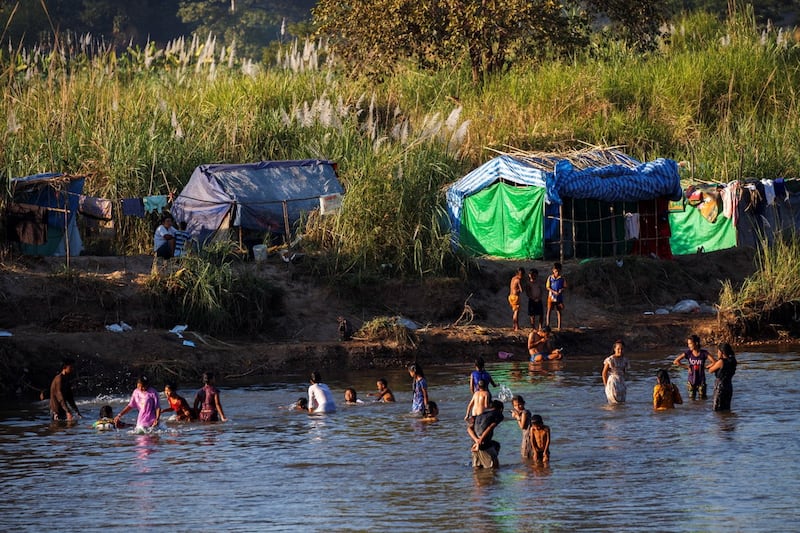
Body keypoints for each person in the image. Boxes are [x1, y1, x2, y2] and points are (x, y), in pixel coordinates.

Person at [672, 334, 716, 400]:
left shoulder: (704, 353)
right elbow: (676, 361)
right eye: (688, 344)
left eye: (690, 343)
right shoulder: (688, 353)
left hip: (701, 380)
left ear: (696, 343)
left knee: (702, 400)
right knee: (691, 400)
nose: (688, 345)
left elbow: (714, 362)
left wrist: (706, 367)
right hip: (691, 381)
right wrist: (687, 367)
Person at [467, 400, 505, 468]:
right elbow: (490, 427)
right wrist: (480, 440)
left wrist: (476, 440)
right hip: (484, 443)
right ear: (501, 409)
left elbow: (469, 429)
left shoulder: (480, 414)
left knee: (477, 469)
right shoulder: (498, 414)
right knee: (494, 468)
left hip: (474, 444)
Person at [707, 342, 738, 411]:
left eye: (718, 351)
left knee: (717, 408)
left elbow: (710, 370)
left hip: (720, 386)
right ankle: (727, 420)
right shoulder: (733, 361)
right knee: (726, 408)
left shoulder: (721, 362)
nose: (717, 353)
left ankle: (720, 421)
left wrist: (713, 364)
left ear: (722, 352)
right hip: (729, 385)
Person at [602, 339, 630, 404]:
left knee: (622, 403)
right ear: (615, 349)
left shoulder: (625, 360)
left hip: (621, 382)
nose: (620, 351)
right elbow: (604, 373)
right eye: (618, 349)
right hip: (613, 382)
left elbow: (624, 372)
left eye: (622, 349)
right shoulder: (610, 359)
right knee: (613, 403)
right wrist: (606, 385)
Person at [511, 395, 533, 460]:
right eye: (515, 406)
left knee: (525, 455)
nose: (517, 407)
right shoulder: (525, 411)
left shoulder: (524, 413)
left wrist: (517, 417)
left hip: (527, 436)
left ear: (523, 403)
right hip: (528, 435)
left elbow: (522, 426)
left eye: (519, 405)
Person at [546, 262, 566, 329]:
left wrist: (561, 290)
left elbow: (565, 286)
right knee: (549, 310)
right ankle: (547, 325)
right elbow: (548, 287)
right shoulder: (550, 278)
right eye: (556, 271)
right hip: (551, 297)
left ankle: (559, 326)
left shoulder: (562, 278)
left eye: (558, 271)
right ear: (553, 270)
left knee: (559, 311)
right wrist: (553, 292)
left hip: (559, 297)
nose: (557, 273)